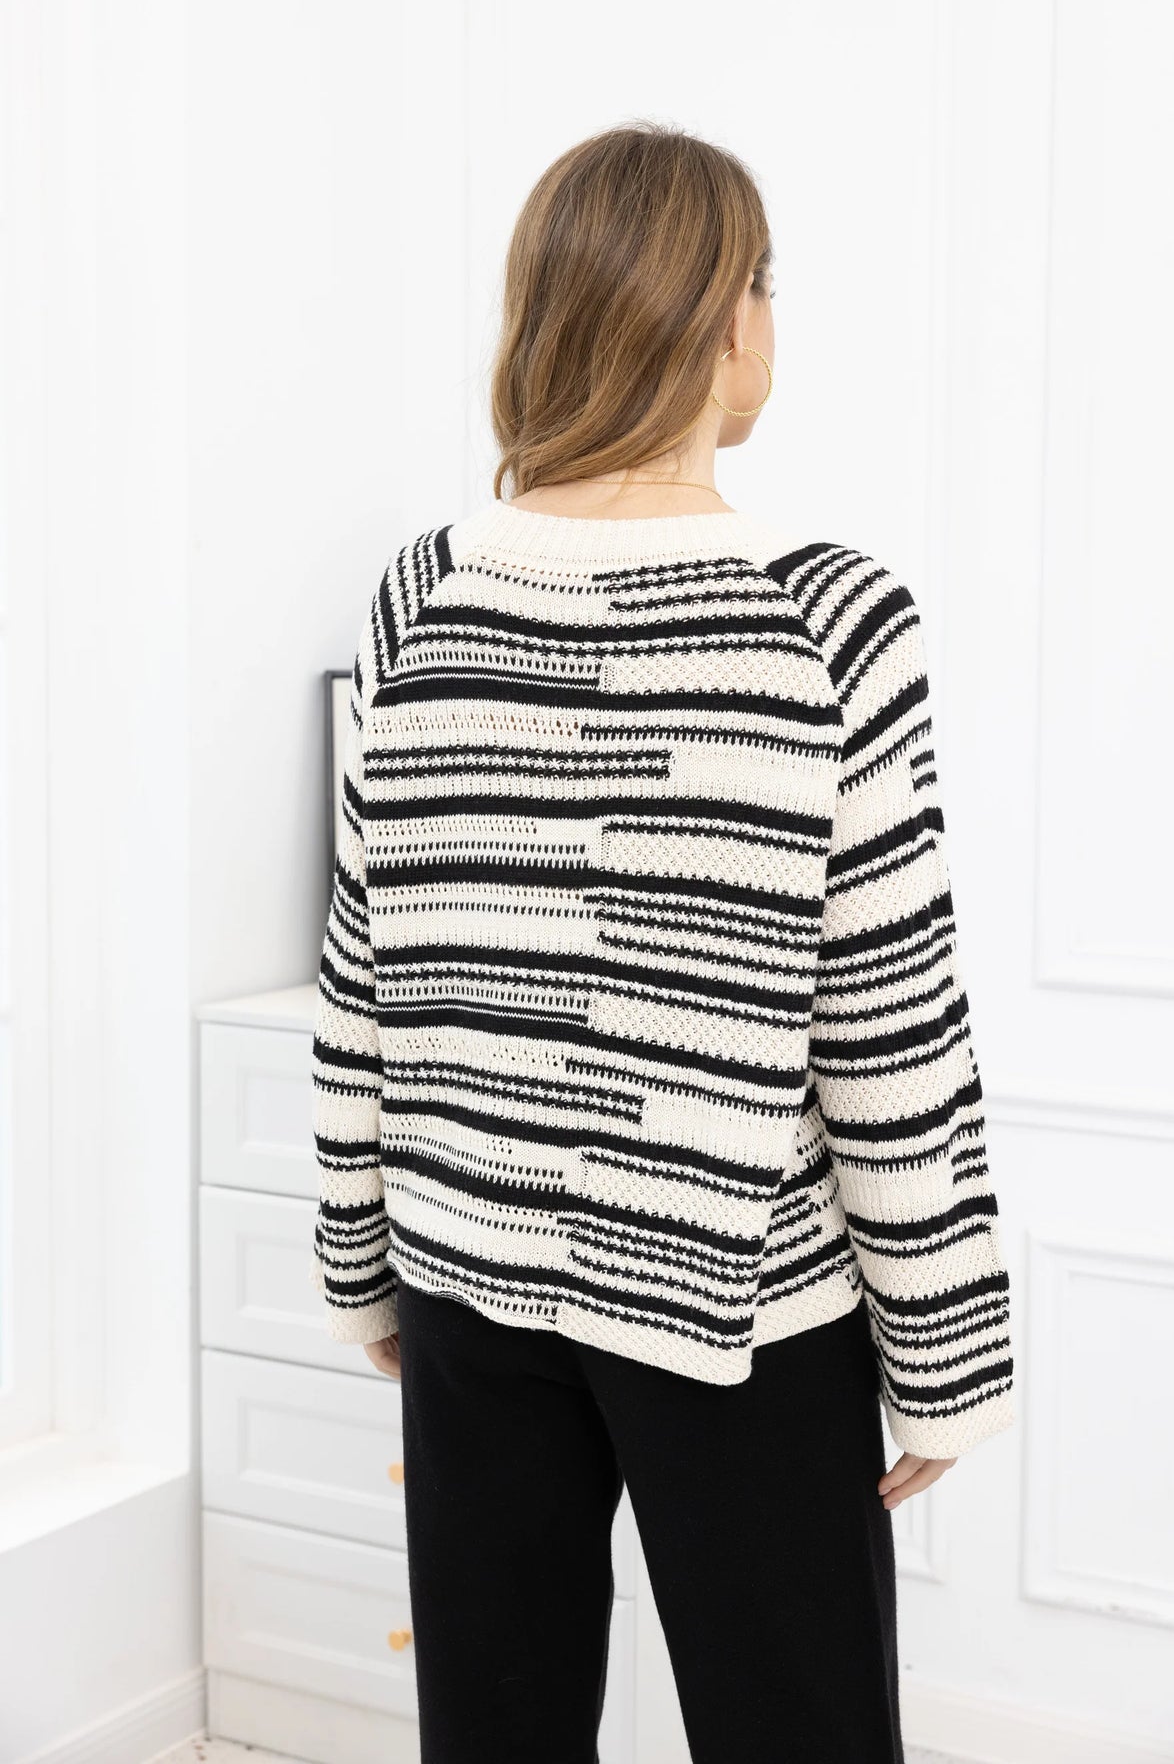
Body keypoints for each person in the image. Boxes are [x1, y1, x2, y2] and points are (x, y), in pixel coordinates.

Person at [309, 119, 1016, 1764]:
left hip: (467, 1272)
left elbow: (363, 974)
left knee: (494, 1731)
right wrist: (945, 1354)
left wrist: (360, 1259)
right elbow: (889, 1024)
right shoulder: (828, 617)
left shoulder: (419, 596)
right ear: (724, 319)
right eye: (767, 285)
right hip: (741, 1309)